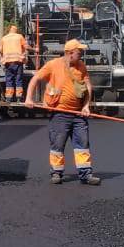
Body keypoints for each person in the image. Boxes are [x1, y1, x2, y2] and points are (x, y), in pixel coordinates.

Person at [24, 38, 100, 186]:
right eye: (79, 52)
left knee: (82, 145)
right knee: (57, 145)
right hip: (59, 114)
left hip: (78, 114)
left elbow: (87, 87)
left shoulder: (81, 66)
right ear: (70, 53)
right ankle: (56, 173)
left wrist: (86, 106)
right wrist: (29, 98)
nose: (81, 54)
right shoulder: (53, 65)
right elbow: (35, 79)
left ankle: (86, 174)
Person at [0, 22, 28, 102]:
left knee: (9, 79)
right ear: (15, 30)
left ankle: (9, 97)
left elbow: (0, 50)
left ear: (9, 30)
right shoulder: (19, 36)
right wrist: (35, 49)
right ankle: (19, 97)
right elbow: (26, 47)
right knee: (18, 79)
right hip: (18, 62)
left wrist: (4, 56)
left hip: (8, 63)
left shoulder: (4, 38)